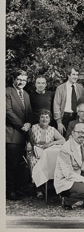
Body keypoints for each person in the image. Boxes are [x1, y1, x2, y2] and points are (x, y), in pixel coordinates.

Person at [26, 109, 65, 198]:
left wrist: (52, 143)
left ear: (50, 119)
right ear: (39, 119)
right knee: (34, 162)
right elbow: (28, 140)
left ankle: (56, 188)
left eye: (47, 117)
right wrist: (29, 146)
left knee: (56, 162)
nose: (44, 119)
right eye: (42, 117)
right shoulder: (33, 128)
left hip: (48, 153)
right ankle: (38, 188)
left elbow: (63, 140)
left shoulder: (52, 129)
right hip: (35, 153)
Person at [6, 70, 33, 200]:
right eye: (19, 79)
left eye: (24, 80)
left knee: (19, 164)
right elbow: (8, 111)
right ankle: (10, 191)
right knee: (11, 164)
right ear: (14, 79)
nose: (22, 82)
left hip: (23, 135)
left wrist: (29, 123)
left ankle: (17, 189)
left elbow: (29, 112)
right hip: (11, 134)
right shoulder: (7, 92)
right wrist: (22, 125)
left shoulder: (26, 95)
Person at [53, 66, 84, 136]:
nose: (75, 77)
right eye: (73, 74)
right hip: (65, 117)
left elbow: (82, 105)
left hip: (77, 117)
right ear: (68, 75)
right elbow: (56, 105)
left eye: (77, 75)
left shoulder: (80, 88)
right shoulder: (60, 88)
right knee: (65, 139)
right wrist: (59, 122)